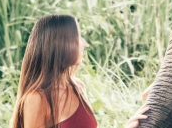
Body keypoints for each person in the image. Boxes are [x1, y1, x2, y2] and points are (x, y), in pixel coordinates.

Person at [10, 14, 149, 128]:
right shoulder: (36, 98)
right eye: (77, 37)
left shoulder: (78, 87)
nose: (84, 43)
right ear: (60, 45)